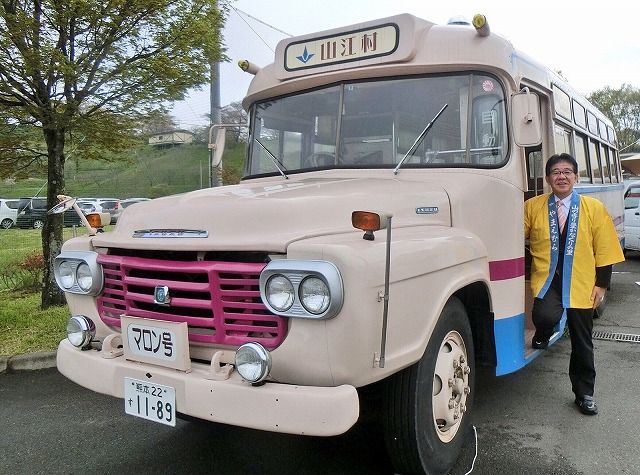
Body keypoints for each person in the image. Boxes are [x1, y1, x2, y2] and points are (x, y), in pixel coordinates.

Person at [524, 153, 624, 416]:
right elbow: (513, 234)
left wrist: (601, 285)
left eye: (567, 171)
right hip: (548, 280)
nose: (562, 176)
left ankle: (584, 393)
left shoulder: (593, 208)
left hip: (581, 282)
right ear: (548, 179)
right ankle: (543, 334)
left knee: (582, 339)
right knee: (544, 316)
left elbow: (605, 249)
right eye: (556, 172)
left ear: (576, 177)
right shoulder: (532, 207)